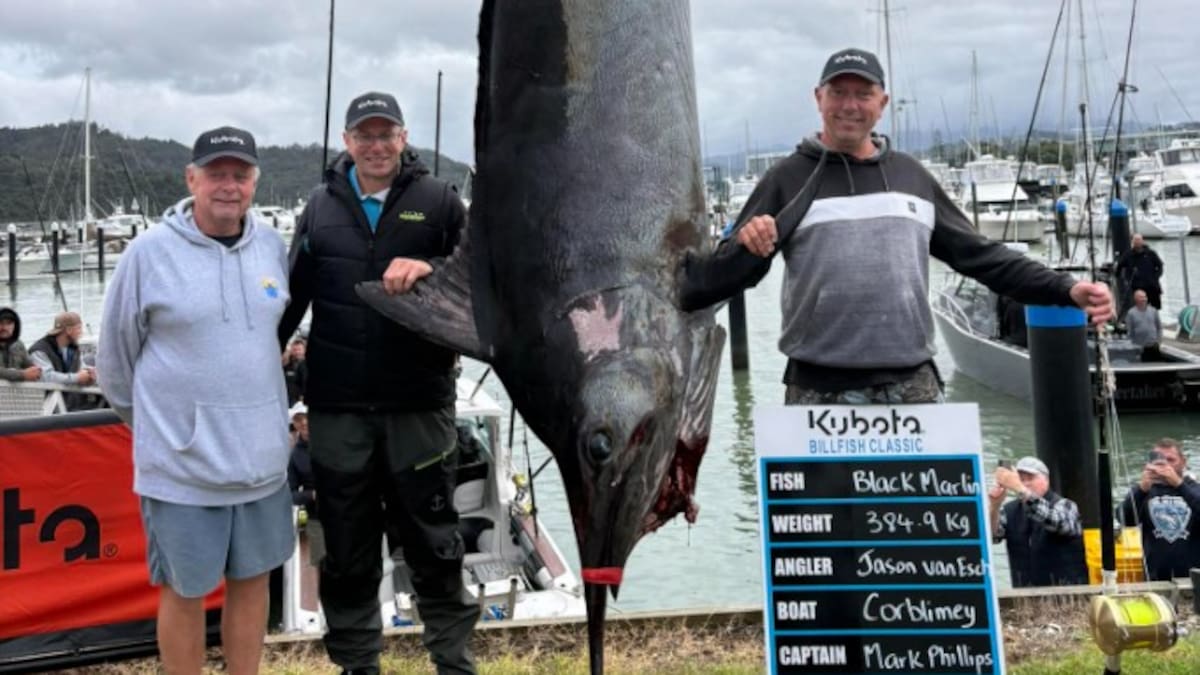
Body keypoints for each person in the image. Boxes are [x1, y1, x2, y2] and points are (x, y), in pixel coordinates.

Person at [680, 47, 1113, 404]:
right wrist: (746, 249)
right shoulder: (787, 179)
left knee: (926, 512)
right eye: (838, 92)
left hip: (914, 385)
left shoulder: (913, 177)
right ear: (818, 98)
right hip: (816, 389)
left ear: (882, 104)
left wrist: (1065, 289)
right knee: (822, 512)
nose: (850, 105)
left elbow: (983, 258)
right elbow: (718, 279)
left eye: (863, 94)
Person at [278, 91, 476, 675]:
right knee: (345, 551)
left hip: (419, 403)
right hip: (338, 409)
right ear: (347, 142)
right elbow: (288, 305)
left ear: (403, 136)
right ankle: (358, 666)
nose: (376, 145)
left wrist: (433, 270)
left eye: (386, 133)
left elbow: (481, 284)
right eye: (364, 134)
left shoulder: (440, 202)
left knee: (435, 542)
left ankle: (453, 663)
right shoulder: (318, 206)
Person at [96, 126, 294, 675]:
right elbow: (116, 365)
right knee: (184, 592)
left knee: (252, 585)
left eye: (240, 174)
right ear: (191, 179)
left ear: (254, 182)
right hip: (181, 470)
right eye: (216, 173)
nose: (228, 186)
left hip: (261, 466)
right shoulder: (148, 253)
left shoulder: (272, 247)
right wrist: (170, 432)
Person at [988, 456, 1087, 587]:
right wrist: (994, 506)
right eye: (1021, 479)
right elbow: (992, 537)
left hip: (1065, 594)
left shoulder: (1066, 505)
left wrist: (1020, 489)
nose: (1026, 483)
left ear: (1046, 479)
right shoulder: (1010, 509)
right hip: (1024, 593)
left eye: (1030, 478)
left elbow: (1055, 521)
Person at [1119, 438, 1200, 581]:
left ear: (1183, 462)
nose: (1166, 466)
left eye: (1171, 460)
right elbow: (1125, 520)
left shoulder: (1193, 488)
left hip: (1193, 575)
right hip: (1155, 576)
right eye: (1160, 461)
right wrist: (1141, 489)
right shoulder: (1145, 491)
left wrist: (1178, 484)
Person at [29, 311, 97, 410]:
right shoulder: (39, 351)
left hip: (72, 402)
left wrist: (90, 374)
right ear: (68, 330)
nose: (81, 332)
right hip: (48, 406)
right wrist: (77, 378)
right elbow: (47, 377)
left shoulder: (73, 349)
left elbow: (82, 369)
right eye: (78, 328)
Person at [1116, 233, 1164, 310]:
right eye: (1135, 240)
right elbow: (1120, 266)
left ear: (1142, 241)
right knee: (1140, 307)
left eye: (1139, 240)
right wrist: (1124, 279)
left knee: (1155, 308)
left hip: (1152, 285)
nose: (1137, 242)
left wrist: (1156, 277)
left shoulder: (1151, 253)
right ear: (1132, 242)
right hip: (1137, 286)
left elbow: (1160, 266)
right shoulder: (1128, 255)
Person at [0, 307, 42, 383]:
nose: (4, 327)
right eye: (1, 323)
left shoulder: (18, 345)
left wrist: (36, 371)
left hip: (14, 393)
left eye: (9, 323)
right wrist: (21, 375)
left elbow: (29, 365)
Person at [1124, 289, 1162, 360]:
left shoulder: (1153, 311)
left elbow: (1159, 328)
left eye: (1145, 297)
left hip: (1153, 346)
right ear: (1136, 299)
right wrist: (1133, 348)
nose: (1144, 299)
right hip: (1138, 347)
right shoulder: (1131, 313)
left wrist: (1158, 341)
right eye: (1141, 297)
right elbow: (1129, 332)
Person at [283, 336, 308, 406]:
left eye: (299, 349)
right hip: (288, 400)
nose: (297, 352)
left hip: (302, 401)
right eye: (295, 350)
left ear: (304, 350)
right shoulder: (286, 365)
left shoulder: (308, 365)